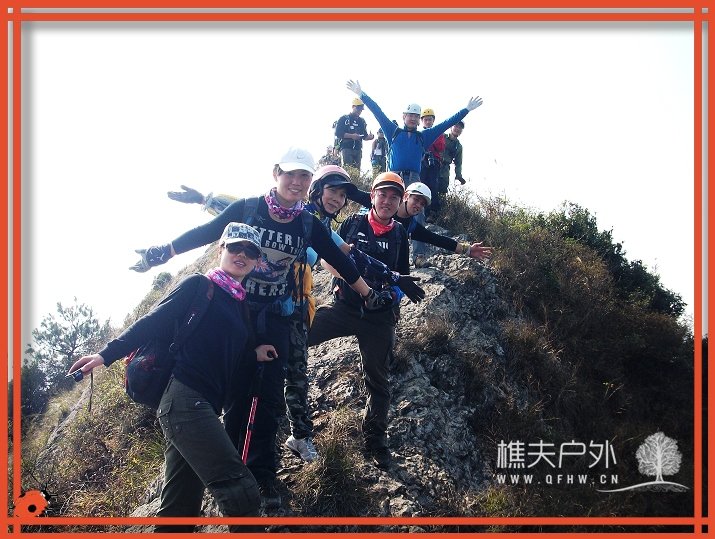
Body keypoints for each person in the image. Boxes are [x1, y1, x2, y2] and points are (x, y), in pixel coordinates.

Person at [130, 147, 393, 507]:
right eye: (290, 174)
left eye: (304, 176)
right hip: (233, 313)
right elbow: (208, 232)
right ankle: (227, 467)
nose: (296, 182)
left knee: (268, 396)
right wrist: (162, 252)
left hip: (275, 316)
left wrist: (367, 294)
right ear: (276, 173)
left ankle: (261, 476)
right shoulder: (250, 208)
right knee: (234, 391)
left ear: (310, 182)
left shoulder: (307, 223)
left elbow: (338, 260)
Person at [69, 223, 272, 533]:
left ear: (257, 261)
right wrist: (105, 355)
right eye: (235, 247)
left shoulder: (241, 305)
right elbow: (153, 320)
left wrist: (254, 353)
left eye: (250, 251)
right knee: (240, 489)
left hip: (203, 406)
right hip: (184, 399)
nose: (241, 254)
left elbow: (227, 355)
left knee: (180, 506)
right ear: (221, 249)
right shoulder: (198, 285)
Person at [308, 172, 419, 470]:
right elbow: (330, 258)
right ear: (372, 196)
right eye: (383, 194)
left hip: (379, 319)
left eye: (394, 197)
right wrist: (357, 286)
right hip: (345, 307)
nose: (387, 201)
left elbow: (402, 275)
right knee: (297, 336)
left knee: (378, 380)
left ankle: (375, 441)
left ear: (400, 202)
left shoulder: (400, 234)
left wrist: (393, 296)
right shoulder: (352, 224)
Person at [346, 79, 482, 185]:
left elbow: (447, 123)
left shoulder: (424, 136)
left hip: (414, 179)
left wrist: (466, 110)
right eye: (410, 115)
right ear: (404, 116)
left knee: (414, 209)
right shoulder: (393, 131)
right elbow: (377, 112)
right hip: (393, 176)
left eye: (416, 116)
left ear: (419, 120)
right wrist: (361, 94)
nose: (413, 118)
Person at [395, 182, 492, 267]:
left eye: (422, 204)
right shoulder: (388, 213)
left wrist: (468, 250)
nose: (418, 206)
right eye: (416, 200)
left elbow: (435, 239)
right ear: (406, 196)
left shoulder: (411, 226)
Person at [419, 108, 446, 222]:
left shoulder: (438, 133)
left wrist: (432, 137)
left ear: (433, 120)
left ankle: (433, 212)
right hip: (422, 161)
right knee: (421, 184)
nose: (428, 122)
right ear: (422, 121)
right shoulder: (419, 133)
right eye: (425, 120)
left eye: (430, 120)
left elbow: (441, 147)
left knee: (433, 186)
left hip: (434, 161)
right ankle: (422, 211)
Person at [334, 97, 374, 170]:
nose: (359, 111)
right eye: (358, 108)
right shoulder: (344, 118)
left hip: (358, 149)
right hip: (346, 148)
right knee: (347, 170)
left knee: (357, 171)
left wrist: (370, 137)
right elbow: (338, 133)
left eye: (361, 109)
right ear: (353, 107)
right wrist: (351, 136)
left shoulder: (361, 121)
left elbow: (364, 136)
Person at [439, 121, 466, 202]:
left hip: (445, 171)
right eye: (456, 126)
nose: (457, 129)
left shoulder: (459, 146)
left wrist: (459, 176)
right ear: (451, 127)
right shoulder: (441, 136)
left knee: (442, 194)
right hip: (433, 166)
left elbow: (458, 163)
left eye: (460, 128)